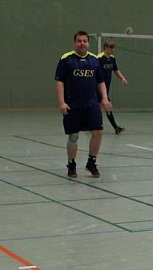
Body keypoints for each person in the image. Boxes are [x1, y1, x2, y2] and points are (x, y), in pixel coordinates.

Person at [55, 31, 112, 178]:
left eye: (85, 41)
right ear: (75, 43)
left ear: (88, 43)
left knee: (98, 131)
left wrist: (105, 98)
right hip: (72, 105)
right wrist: (61, 102)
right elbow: (59, 81)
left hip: (91, 104)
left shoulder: (94, 60)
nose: (82, 43)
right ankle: (71, 163)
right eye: (79, 41)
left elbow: (100, 81)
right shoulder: (66, 59)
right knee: (73, 136)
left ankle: (91, 162)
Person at [97, 40, 129, 134]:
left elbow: (116, 70)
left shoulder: (112, 58)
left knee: (107, 107)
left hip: (106, 88)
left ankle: (97, 126)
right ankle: (113, 127)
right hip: (97, 87)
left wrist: (122, 78)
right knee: (105, 107)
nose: (112, 50)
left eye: (113, 47)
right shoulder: (99, 58)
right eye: (111, 47)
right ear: (105, 48)